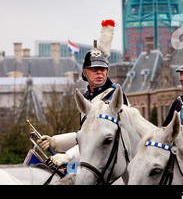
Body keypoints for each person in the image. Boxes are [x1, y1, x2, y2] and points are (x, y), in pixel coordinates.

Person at [38, 19, 128, 166]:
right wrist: (55, 141)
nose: (99, 73)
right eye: (94, 70)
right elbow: (84, 137)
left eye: (103, 69)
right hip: (93, 161)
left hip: (110, 165)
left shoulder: (113, 97)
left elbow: (97, 141)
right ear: (85, 73)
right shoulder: (87, 98)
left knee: (70, 178)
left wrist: (67, 156)